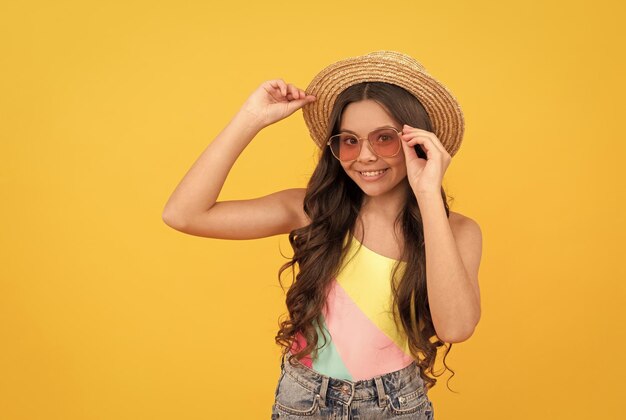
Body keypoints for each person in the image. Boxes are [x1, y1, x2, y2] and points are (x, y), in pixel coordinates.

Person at [162, 50, 482, 419]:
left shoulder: (457, 231)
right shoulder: (311, 211)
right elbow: (183, 214)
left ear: (418, 142)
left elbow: (456, 327)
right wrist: (250, 119)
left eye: (384, 138)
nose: (364, 156)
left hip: (396, 405)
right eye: (349, 140)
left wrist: (427, 194)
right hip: (304, 399)